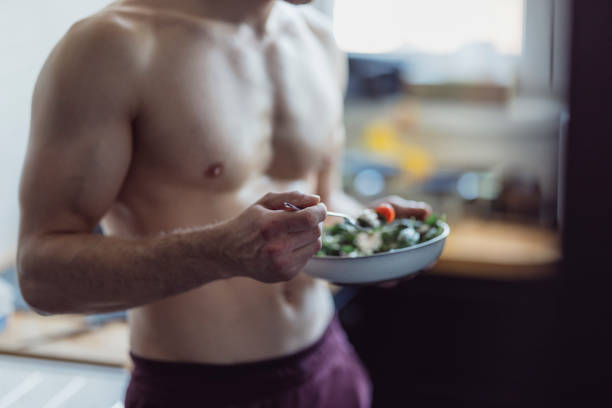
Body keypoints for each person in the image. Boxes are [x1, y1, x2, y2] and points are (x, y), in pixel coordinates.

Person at [17, 0, 431, 406]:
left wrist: (373, 234)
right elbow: (41, 276)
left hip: (329, 365)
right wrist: (218, 254)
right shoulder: (112, 45)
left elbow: (324, 200)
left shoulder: (317, 39)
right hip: (197, 390)